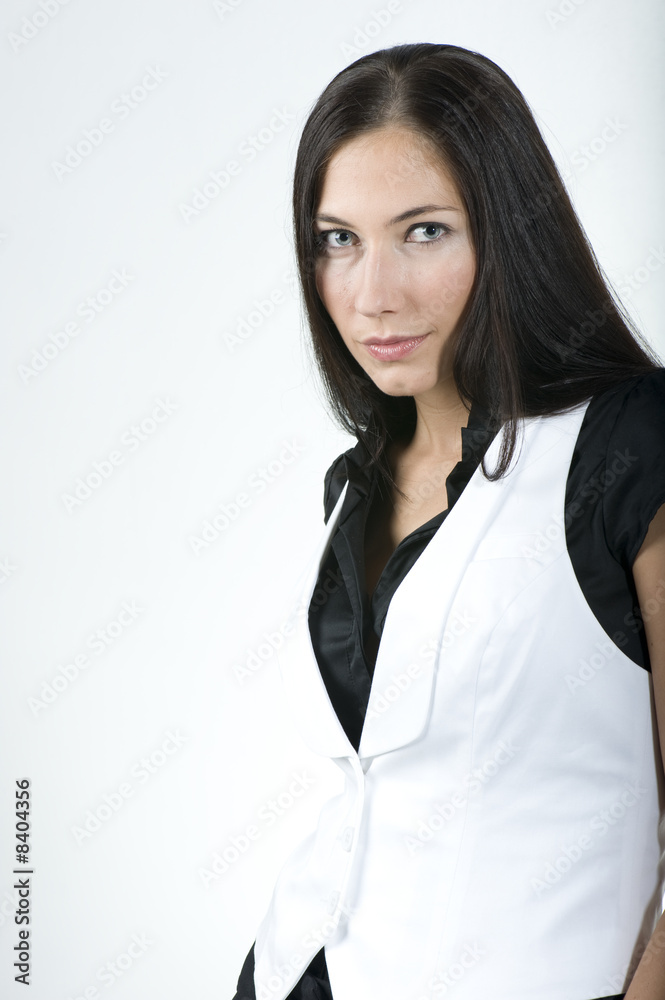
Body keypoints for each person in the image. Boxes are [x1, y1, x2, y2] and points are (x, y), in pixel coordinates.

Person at [232, 43, 665, 1000]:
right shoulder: (353, 482)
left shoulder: (631, 443)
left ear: (509, 230)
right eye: (336, 238)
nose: (371, 293)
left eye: (422, 231)